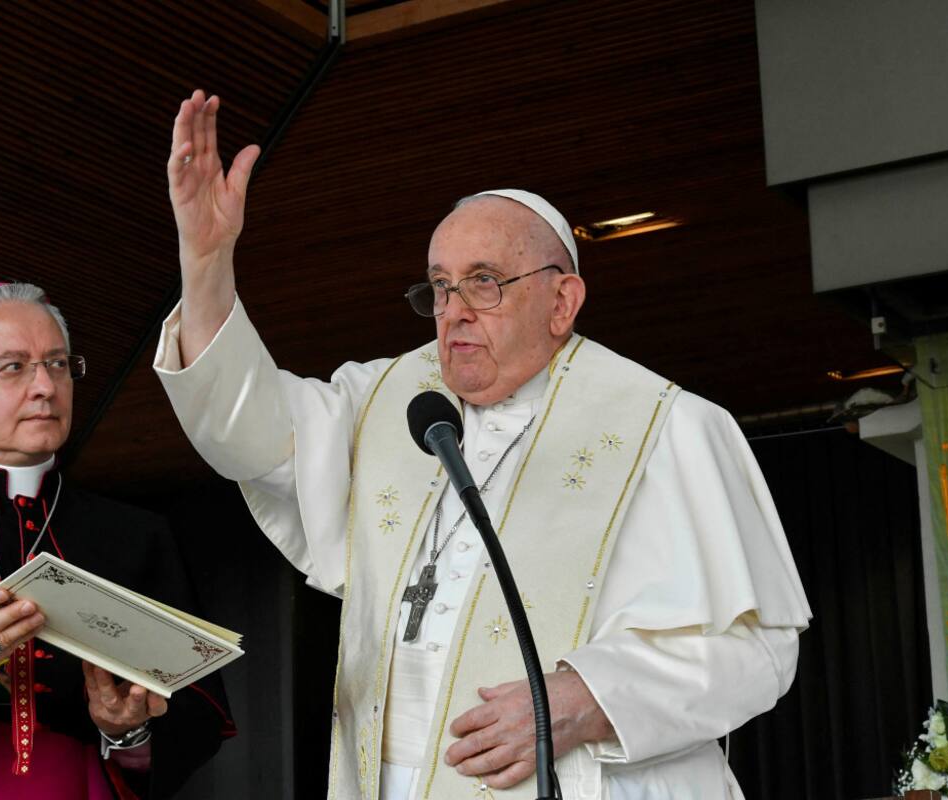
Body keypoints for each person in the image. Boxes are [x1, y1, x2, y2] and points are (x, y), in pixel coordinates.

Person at [156, 89, 811, 799]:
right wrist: (207, 260)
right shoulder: (386, 401)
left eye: (485, 284)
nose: (454, 313)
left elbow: (759, 651)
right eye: (440, 288)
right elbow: (240, 428)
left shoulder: (666, 426)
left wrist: (587, 701)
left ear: (562, 302)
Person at [0, 282, 234, 799]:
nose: (45, 387)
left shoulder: (137, 534)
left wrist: (127, 731)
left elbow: (197, 707)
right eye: (12, 367)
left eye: (57, 364)